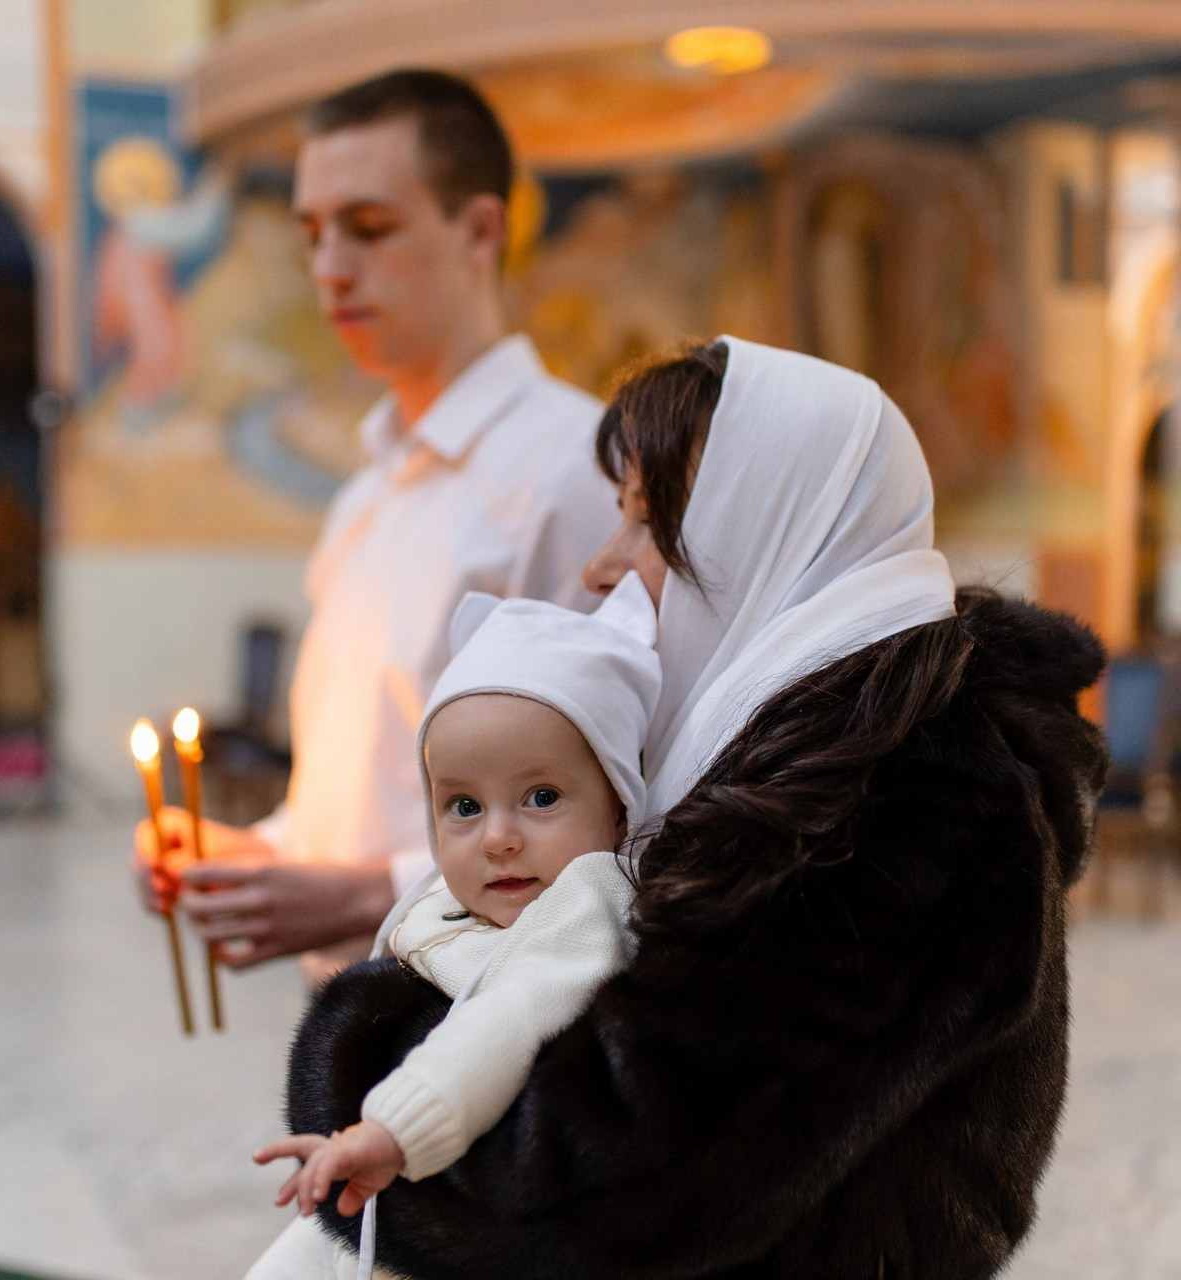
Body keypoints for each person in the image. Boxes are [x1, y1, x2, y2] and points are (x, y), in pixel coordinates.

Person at [282, 336, 1108, 1279]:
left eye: (648, 527)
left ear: (763, 534)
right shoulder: (804, 744)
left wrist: (363, 1058)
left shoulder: (900, 798)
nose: (600, 567)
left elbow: (610, 1174)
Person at [134, 69, 615, 970]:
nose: (329, 271)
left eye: (369, 228)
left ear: (478, 230)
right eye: (314, 235)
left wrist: (360, 896)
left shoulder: (572, 471)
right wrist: (252, 861)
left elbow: (622, 815)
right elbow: (361, 792)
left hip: (487, 1018)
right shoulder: (369, 492)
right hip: (356, 1011)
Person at [250, 570, 661, 1278]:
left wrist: (392, 1131)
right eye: (464, 806)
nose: (498, 837)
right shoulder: (451, 894)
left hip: (466, 1199)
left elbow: (509, 1017)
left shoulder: (588, 900)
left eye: (541, 797)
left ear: (619, 805)